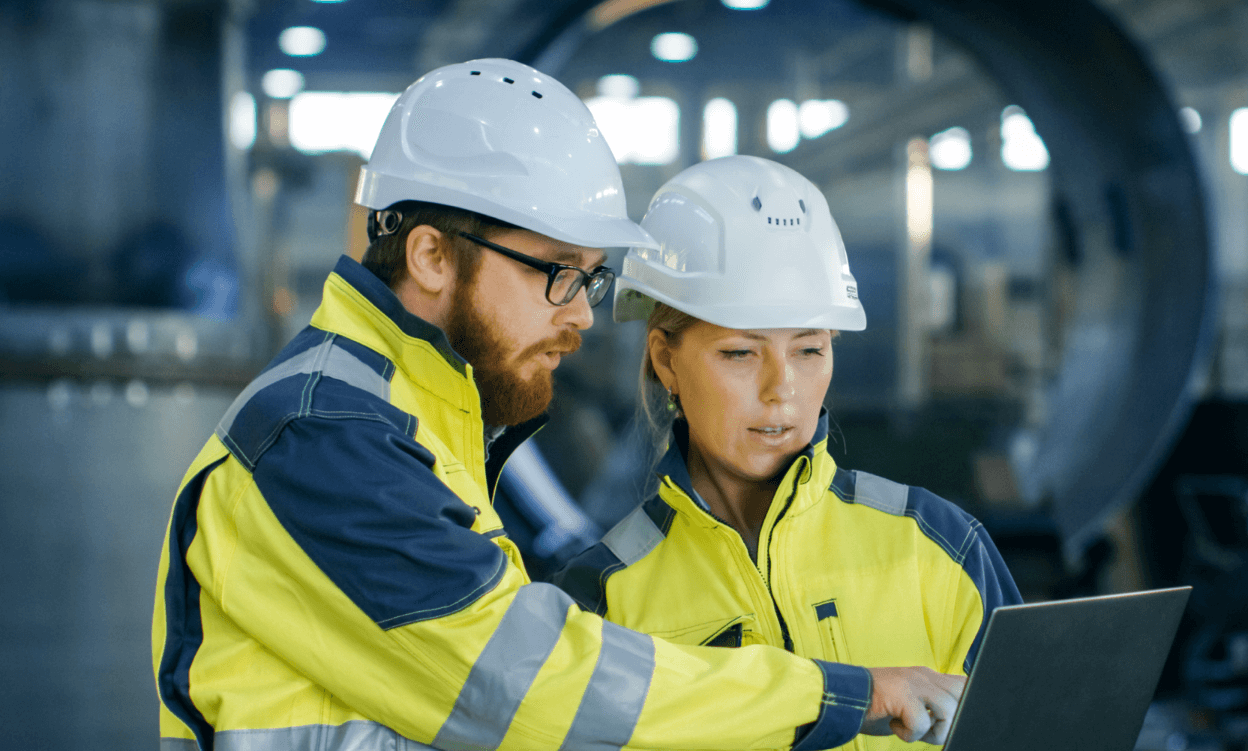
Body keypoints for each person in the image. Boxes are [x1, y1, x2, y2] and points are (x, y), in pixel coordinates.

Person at [153, 60, 965, 751]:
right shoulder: (323, 435)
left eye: (589, 277)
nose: (581, 313)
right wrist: (838, 693)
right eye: (556, 271)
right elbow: (528, 686)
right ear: (431, 255)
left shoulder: (417, 424)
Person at [553, 155, 1023, 749]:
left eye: (809, 350)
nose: (782, 389)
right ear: (666, 361)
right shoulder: (603, 599)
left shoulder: (942, 547)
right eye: (740, 353)